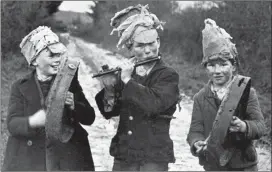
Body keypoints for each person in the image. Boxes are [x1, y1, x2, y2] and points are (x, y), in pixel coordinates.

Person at [95, 4, 180, 171]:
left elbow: (153, 105)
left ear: (158, 42)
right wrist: (109, 88)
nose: (148, 50)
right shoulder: (128, 72)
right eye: (140, 46)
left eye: (151, 43)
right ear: (130, 48)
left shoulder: (168, 75)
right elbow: (109, 112)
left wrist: (127, 81)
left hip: (153, 157)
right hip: (125, 155)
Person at [2, 26, 95, 171]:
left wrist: (74, 105)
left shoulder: (68, 81)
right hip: (32, 158)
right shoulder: (20, 87)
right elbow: (12, 124)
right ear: (34, 61)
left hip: (66, 159)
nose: (58, 60)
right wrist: (32, 121)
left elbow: (90, 118)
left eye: (59, 55)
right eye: (51, 56)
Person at [186, 18, 266, 171]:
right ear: (205, 67)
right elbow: (195, 131)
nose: (217, 71)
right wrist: (196, 142)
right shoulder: (200, 98)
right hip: (214, 165)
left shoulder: (246, 92)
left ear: (233, 66)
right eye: (211, 65)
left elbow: (260, 126)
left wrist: (244, 126)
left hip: (244, 165)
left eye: (223, 64)